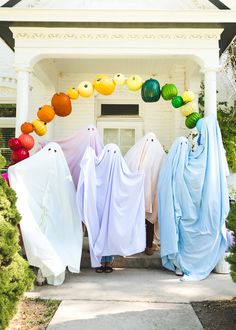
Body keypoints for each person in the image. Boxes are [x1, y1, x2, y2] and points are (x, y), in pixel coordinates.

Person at [158, 115, 229, 281]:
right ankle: (196, 263)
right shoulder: (214, 157)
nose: (199, 138)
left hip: (199, 206)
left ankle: (182, 264)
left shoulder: (200, 155)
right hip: (209, 206)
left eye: (201, 134)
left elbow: (189, 177)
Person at [76, 143, 146, 272]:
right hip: (100, 207)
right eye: (109, 153)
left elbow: (127, 181)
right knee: (100, 231)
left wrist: (138, 179)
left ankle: (108, 262)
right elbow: (92, 176)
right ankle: (100, 261)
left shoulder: (121, 168)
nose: (111, 157)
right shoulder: (98, 167)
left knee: (110, 232)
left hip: (113, 207)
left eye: (114, 154)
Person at [124, 132, 165, 255]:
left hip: (147, 194)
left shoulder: (139, 155)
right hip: (148, 194)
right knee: (148, 220)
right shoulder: (160, 155)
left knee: (146, 220)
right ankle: (144, 245)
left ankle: (145, 245)